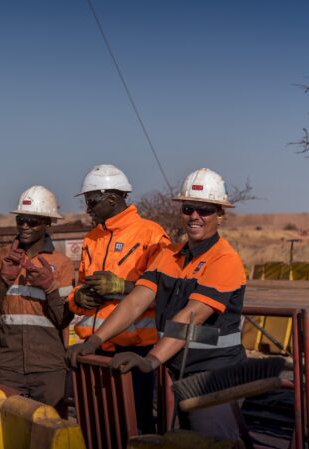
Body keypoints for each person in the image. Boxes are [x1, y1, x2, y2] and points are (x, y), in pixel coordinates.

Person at [67, 168, 247, 440]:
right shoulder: (170, 255)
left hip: (216, 373)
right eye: (188, 208)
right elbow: (136, 300)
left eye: (205, 210)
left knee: (210, 442)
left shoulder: (224, 259)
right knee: (188, 440)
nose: (194, 216)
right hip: (183, 369)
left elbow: (191, 317)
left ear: (220, 216)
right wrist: (94, 340)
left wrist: (150, 360)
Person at [67, 164, 169, 433]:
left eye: (91, 202)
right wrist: (79, 297)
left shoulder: (151, 235)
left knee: (135, 426)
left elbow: (167, 294)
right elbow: (77, 288)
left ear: (112, 199)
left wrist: (125, 287)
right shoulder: (92, 239)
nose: (88, 209)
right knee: (98, 425)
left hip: (134, 351)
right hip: (93, 348)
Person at [0, 186, 75, 408]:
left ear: (48, 223)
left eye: (33, 221)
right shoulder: (1, 258)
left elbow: (63, 319)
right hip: (8, 367)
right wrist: (3, 282)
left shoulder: (61, 264)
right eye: (21, 219)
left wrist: (49, 287)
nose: (24, 226)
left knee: (50, 433)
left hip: (48, 368)